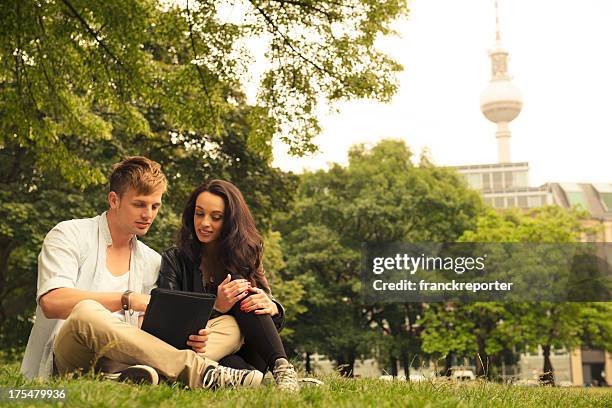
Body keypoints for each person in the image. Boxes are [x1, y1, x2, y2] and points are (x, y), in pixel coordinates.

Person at [20, 157, 262, 389]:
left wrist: (193, 336)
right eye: (139, 204)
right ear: (114, 200)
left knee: (230, 325)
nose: (149, 214)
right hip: (72, 355)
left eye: (155, 206)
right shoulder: (69, 234)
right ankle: (199, 371)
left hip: (129, 358)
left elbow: (146, 330)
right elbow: (51, 302)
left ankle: (133, 376)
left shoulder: (151, 260)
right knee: (86, 311)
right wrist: (128, 299)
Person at [158, 180, 299, 392]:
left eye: (216, 217)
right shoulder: (174, 258)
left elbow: (268, 324)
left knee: (244, 293)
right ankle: (252, 380)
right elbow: (169, 323)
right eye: (199, 214)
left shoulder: (245, 255)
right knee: (237, 369)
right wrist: (216, 307)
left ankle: (282, 369)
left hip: (250, 348)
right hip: (203, 348)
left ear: (231, 222)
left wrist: (274, 308)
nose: (205, 223)